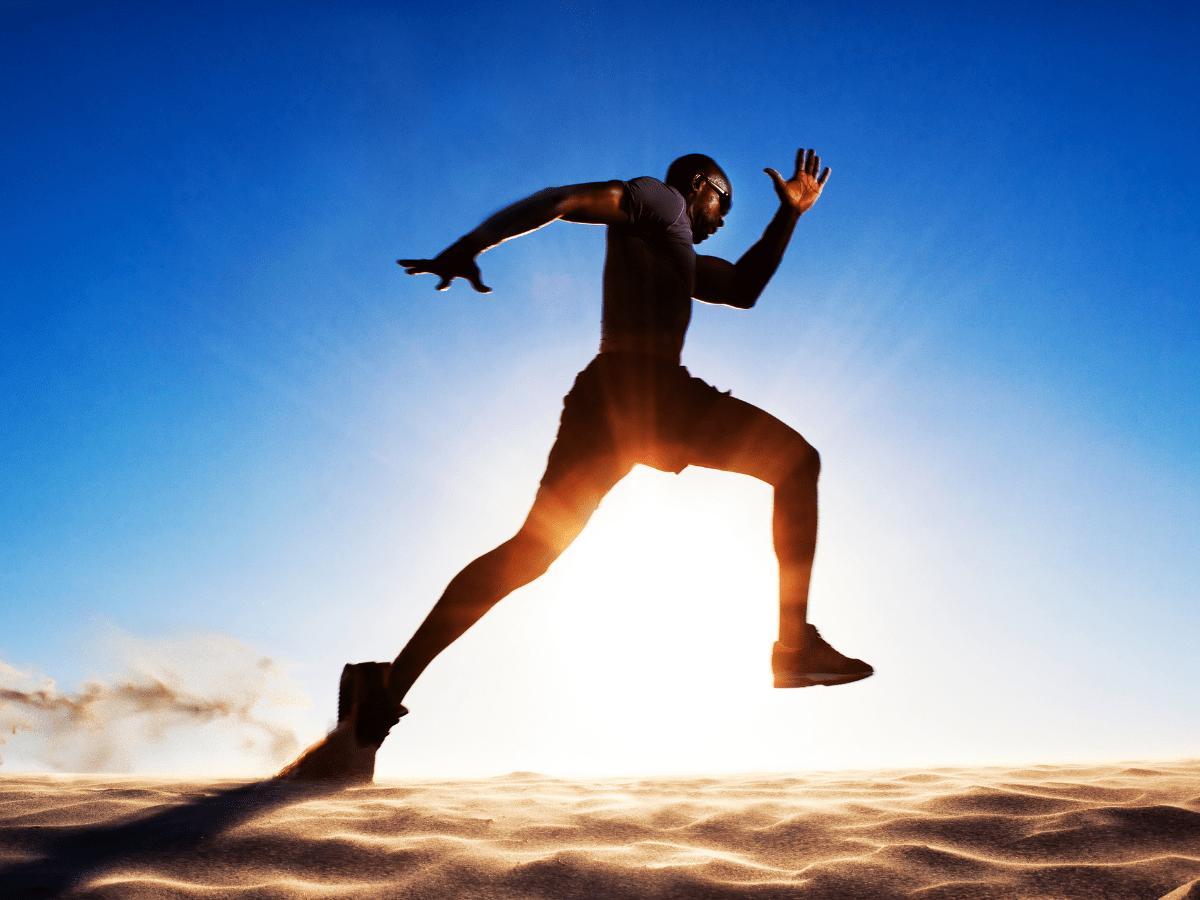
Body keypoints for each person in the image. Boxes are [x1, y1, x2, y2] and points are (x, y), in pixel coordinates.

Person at [279, 148, 872, 782]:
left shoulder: (674, 250)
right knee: (797, 462)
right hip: (648, 393)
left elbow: (746, 290)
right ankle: (792, 646)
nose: (722, 220)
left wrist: (789, 217)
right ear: (700, 187)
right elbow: (563, 200)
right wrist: (473, 243)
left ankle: (385, 684)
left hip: (607, 410)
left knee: (528, 553)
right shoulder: (659, 200)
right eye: (723, 203)